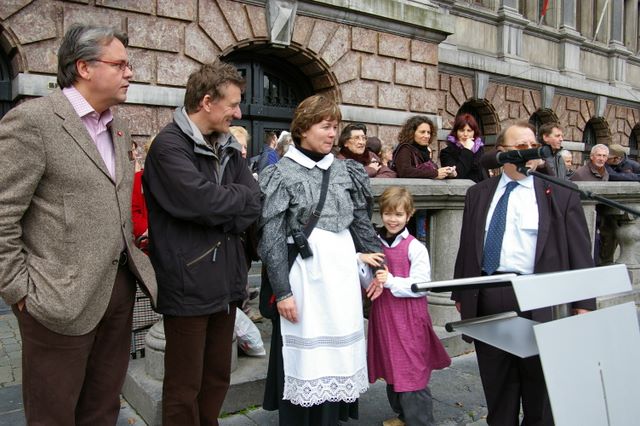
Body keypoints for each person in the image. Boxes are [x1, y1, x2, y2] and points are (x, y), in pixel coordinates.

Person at [0, 24, 157, 424]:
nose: (129, 72)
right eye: (119, 64)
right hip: (56, 301)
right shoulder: (33, 121)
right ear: (84, 67)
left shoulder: (118, 127)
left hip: (118, 293)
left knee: (103, 410)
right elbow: (3, 213)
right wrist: (20, 290)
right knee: (53, 416)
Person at [451, 121, 595, 425]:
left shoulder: (560, 193)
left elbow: (580, 251)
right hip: (490, 297)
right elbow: (468, 247)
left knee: (539, 395)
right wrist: (461, 294)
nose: (530, 151)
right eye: (520, 146)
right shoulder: (478, 193)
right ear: (502, 152)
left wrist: (584, 304)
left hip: (540, 300)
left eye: (533, 145)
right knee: (498, 391)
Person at [142, 60, 261, 425]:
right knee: (184, 385)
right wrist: (229, 202)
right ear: (207, 102)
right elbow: (201, 203)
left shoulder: (228, 146)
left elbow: (253, 202)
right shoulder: (168, 146)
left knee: (216, 378)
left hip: (227, 282)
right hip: (187, 283)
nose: (238, 113)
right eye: (233, 104)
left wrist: (224, 203)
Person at [259, 94, 384, 425]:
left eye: (335, 127)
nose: (333, 134)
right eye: (325, 126)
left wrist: (379, 268)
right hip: (305, 276)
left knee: (338, 358)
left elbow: (361, 223)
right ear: (303, 129)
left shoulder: (345, 170)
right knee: (306, 359)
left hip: (341, 275)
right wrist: (282, 292)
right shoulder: (280, 173)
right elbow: (272, 237)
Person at [358, 186, 451, 426]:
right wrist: (361, 264)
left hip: (409, 317)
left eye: (398, 214)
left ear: (409, 215)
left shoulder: (415, 247)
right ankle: (403, 416)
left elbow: (422, 285)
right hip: (384, 314)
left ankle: (421, 421)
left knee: (410, 370)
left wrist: (390, 281)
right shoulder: (375, 243)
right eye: (388, 213)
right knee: (390, 365)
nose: (392, 219)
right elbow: (368, 282)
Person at [440, 113, 488, 182]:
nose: (465, 134)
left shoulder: (479, 149)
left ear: (474, 133)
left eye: (469, 130)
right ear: (456, 132)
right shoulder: (447, 153)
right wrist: (467, 149)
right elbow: (458, 175)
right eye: (462, 130)